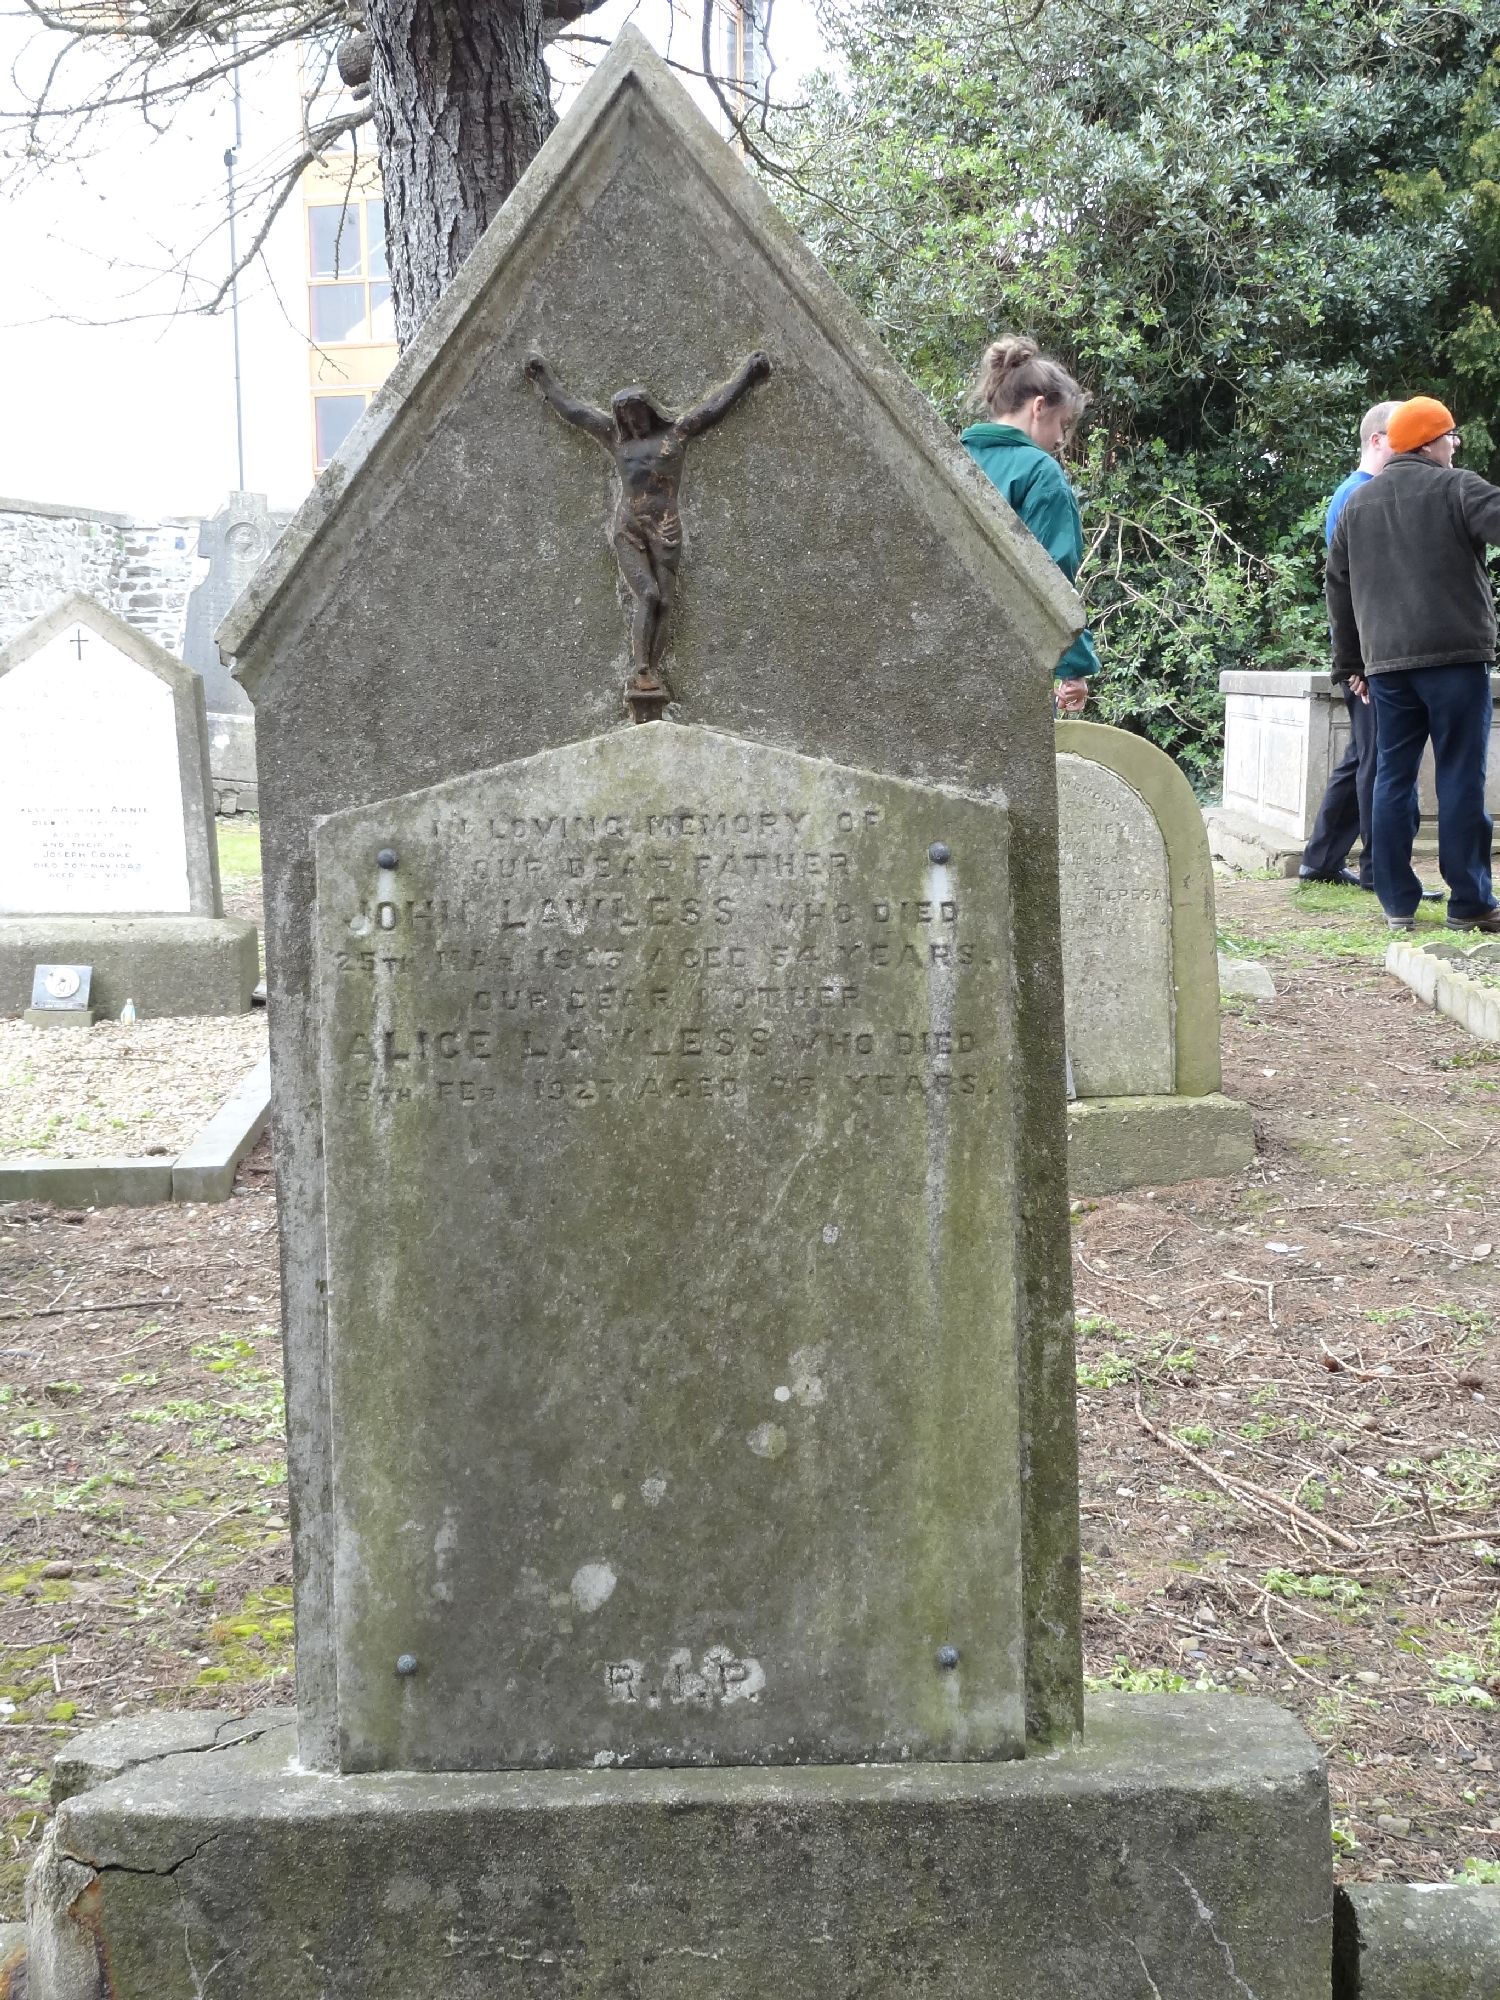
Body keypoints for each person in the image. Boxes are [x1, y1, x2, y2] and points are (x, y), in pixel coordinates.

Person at [1326, 395, 1498, 933]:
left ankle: (1397, 902)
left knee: (1392, 778)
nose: (1455, 446)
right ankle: (1469, 902)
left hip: (1386, 668)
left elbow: (1338, 590)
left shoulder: (1357, 504)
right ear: (1430, 442)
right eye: (1451, 437)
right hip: (1455, 661)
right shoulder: (1458, 487)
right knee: (1460, 776)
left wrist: (1351, 665)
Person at [960, 337, 1099, 714]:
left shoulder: (955, 458)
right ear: (1039, 407)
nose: (1060, 439)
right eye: (1062, 424)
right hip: (1008, 671)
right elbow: (1051, 579)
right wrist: (1074, 669)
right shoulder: (1041, 475)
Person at [1299, 401, 1396, 889]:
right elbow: (1351, 585)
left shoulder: (1356, 493)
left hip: (1366, 650)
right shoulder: (1360, 496)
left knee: (1364, 753)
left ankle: (1321, 859)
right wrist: (1357, 662)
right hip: (1370, 654)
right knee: (1379, 758)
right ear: (1377, 440)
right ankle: (1380, 870)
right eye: (1403, 436)